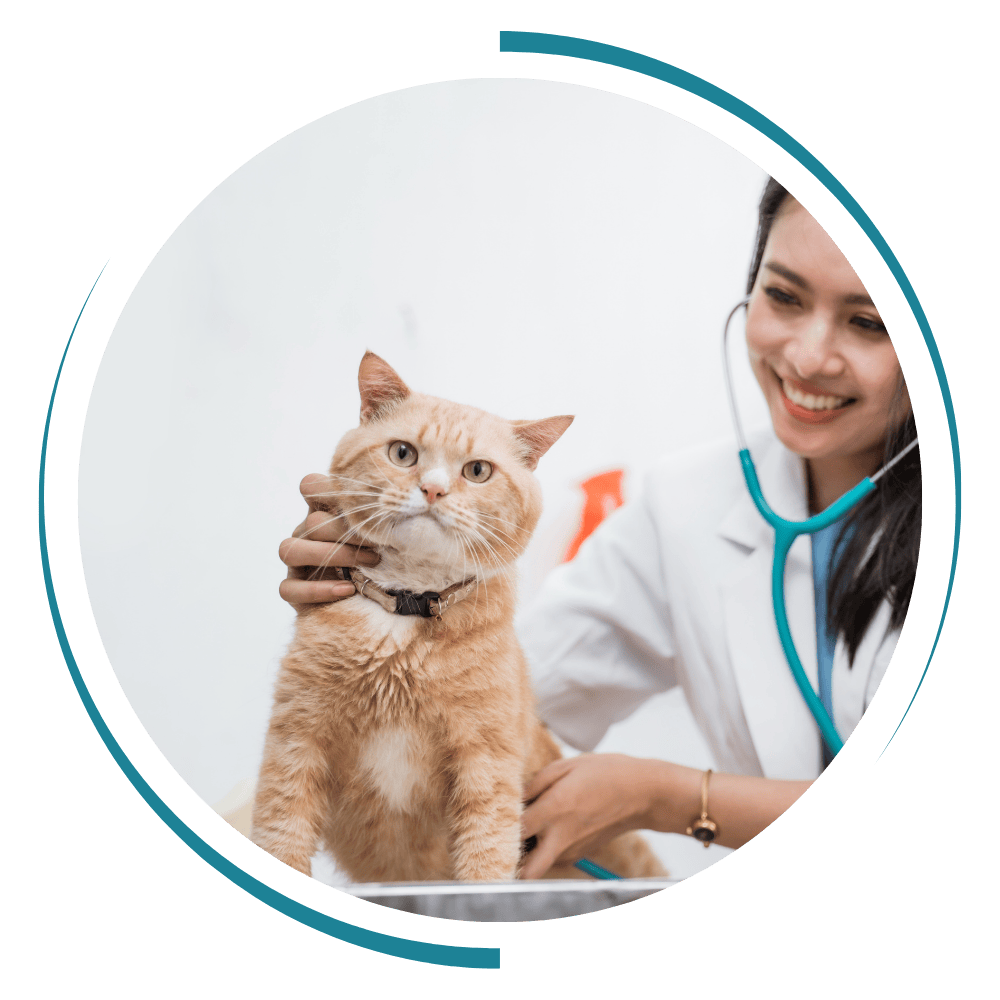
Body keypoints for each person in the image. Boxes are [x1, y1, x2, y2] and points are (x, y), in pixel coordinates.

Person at [276, 177, 921, 879]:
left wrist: (669, 796)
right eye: (784, 297)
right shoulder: (686, 503)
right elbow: (511, 693)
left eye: (870, 322)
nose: (806, 357)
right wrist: (388, 586)